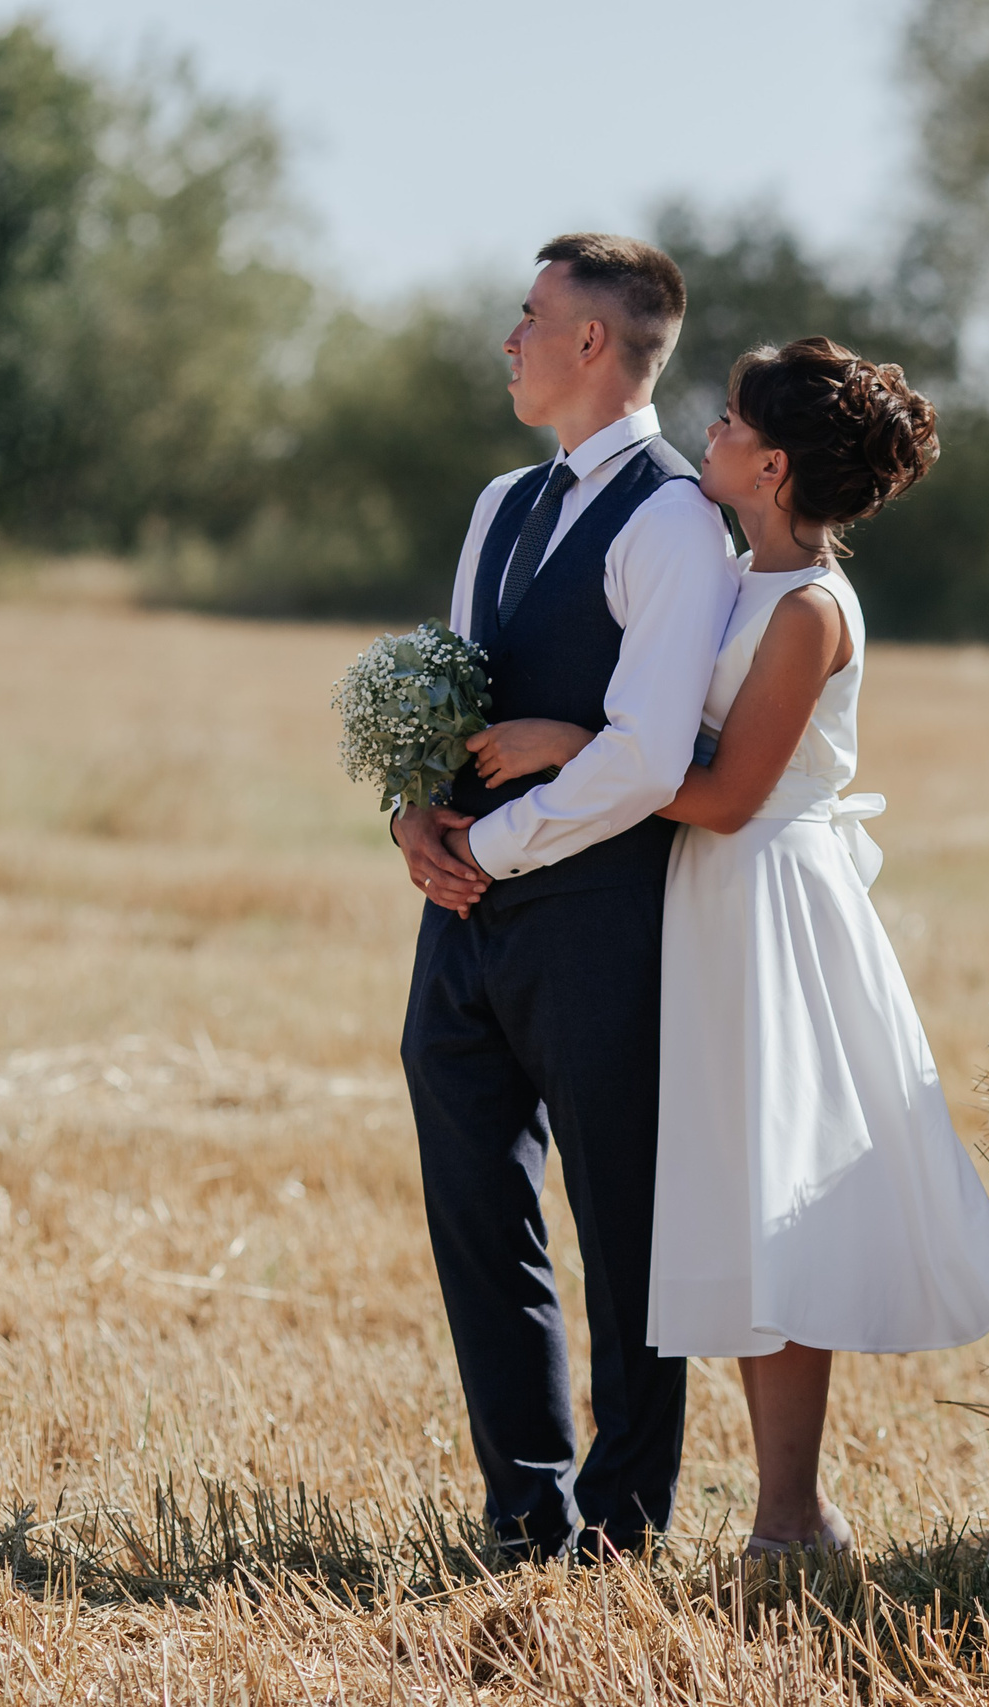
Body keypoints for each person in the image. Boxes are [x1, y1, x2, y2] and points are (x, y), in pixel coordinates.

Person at [467, 337, 989, 1557]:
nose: (705, 435)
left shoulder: (808, 611)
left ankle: (791, 1517)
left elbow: (726, 796)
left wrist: (579, 746)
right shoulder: (734, 574)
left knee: (783, 1204)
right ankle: (788, 1511)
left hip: (768, 903)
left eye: (726, 424)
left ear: (769, 466)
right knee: (730, 1199)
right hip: (709, 902)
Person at [391, 234, 738, 1564]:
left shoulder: (670, 518)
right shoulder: (499, 503)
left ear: (593, 343)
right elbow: (456, 689)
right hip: (462, 920)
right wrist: (418, 813)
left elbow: (649, 754)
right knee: (478, 1210)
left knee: (626, 1227)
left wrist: (501, 841)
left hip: (603, 924)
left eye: (529, 316)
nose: (510, 338)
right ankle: (525, 1506)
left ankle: (628, 1516)